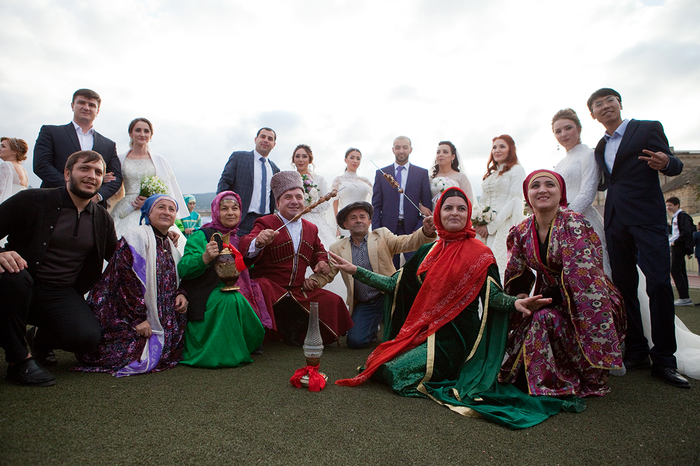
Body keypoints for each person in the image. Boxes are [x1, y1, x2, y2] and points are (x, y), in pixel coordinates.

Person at [331, 187, 580, 429]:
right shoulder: (428, 251)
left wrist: (515, 303)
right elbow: (394, 284)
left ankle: (456, 367)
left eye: (461, 208)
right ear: (438, 214)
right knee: (378, 363)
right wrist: (355, 271)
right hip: (425, 330)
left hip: (457, 337)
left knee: (397, 373)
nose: (454, 213)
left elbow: (492, 296)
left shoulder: (481, 253)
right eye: (448, 208)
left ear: (468, 214)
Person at [589, 87, 689, 388]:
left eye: (610, 100)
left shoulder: (646, 128)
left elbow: (675, 164)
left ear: (619, 103)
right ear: (593, 114)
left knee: (658, 284)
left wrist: (665, 162)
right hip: (615, 221)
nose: (605, 106)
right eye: (598, 104)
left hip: (647, 217)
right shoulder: (599, 147)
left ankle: (665, 359)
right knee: (624, 287)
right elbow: (606, 182)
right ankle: (636, 350)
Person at [499, 170, 626, 397]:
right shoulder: (521, 231)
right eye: (535, 186)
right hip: (549, 298)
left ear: (561, 193)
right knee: (531, 318)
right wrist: (522, 297)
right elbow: (516, 274)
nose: (542, 190)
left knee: (543, 318)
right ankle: (545, 374)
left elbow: (584, 279)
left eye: (550, 185)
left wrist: (544, 302)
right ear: (527, 195)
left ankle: (569, 376)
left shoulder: (574, 224)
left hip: (590, 301)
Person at [0, 150, 117, 386]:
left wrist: (158, 238)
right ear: (67, 173)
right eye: (84, 168)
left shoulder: (102, 218)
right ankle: (18, 361)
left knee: (86, 337)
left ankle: (39, 338)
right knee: (11, 278)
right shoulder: (32, 200)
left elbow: (119, 257)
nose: (91, 176)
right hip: (19, 282)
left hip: (61, 292)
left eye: (98, 172)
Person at [73, 195, 188, 376]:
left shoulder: (170, 243)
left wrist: (181, 293)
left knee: (171, 350)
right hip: (127, 313)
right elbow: (125, 281)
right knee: (132, 354)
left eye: (171, 209)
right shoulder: (135, 239)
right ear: (148, 212)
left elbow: (176, 277)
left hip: (158, 315)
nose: (166, 212)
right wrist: (139, 319)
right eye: (161, 207)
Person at [239, 171, 353, 346]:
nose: (294, 201)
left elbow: (318, 251)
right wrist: (258, 241)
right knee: (261, 287)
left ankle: (293, 327)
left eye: (299, 197)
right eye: (288, 197)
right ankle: (268, 331)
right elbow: (246, 244)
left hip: (299, 290)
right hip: (272, 289)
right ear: (278, 203)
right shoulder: (265, 223)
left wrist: (321, 262)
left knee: (333, 301)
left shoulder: (311, 228)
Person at [328, 201, 437, 349]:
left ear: (369, 222)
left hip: (390, 296)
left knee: (405, 337)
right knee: (355, 341)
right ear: (345, 224)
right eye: (353, 218)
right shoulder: (336, 248)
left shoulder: (382, 235)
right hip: (365, 303)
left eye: (362, 217)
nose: (358, 220)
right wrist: (314, 281)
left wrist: (425, 231)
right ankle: (372, 328)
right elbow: (327, 273)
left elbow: (407, 242)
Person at [178, 191, 267, 368]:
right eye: (224, 208)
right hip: (206, 293)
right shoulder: (202, 236)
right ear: (215, 211)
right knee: (229, 298)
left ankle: (243, 343)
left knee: (255, 289)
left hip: (236, 289)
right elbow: (183, 269)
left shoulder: (239, 237)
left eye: (235, 208)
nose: (230, 213)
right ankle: (223, 353)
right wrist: (204, 258)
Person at [33, 89, 121, 206]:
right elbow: (41, 165)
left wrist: (98, 195)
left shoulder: (108, 144)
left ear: (98, 111)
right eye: (81, 103)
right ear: (72, 106)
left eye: (91, 105)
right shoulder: (51, 132)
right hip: (55, 201)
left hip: (93, 207)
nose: (86, 107)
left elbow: (116, 178)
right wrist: (73, 188)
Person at [551, 108, 610, 276]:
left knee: (589, 271)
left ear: (579, 128)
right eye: (558, 131)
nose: (563, 134)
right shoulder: (560, 163)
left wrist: (563, 218)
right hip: (559, 221)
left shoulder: (588, 155)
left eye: (568, 128)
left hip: (582, 221)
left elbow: (587, 194)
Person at [111, 118, 187, 241]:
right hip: (127, 206)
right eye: (138, 130)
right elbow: (113, 184)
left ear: (151, 136)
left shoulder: (159, 160)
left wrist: (149, 204)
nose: (142, 134)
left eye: (146, 131)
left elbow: (167, 188)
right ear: (130, 134)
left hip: (152, 206)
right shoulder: (119, 159)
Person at [291, 144, 346, 300]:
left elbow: (326, 203)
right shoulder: (289, 177)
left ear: (310, 159)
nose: (300, 159)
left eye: (304, 156)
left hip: (315, 220)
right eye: (297, 156)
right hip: (295, 219)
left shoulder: (319, 179)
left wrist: (311, 205)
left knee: (324, 252)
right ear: (293, 159)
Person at [372, 136, 432, 268]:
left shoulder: (421, 173)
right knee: (389, 269)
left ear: (410, 149)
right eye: (398, 147)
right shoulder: (381, 173)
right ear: (393, 150)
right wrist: (376, 231)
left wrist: (419, 229)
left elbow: (427, 206)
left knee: (414, 267)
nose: (401, 151)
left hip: (412, 229)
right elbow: (376, 206)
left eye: (405, 147)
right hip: (387, 229)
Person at [474, 135, 526, 280]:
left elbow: (514, 201)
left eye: (502, 146)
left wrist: (491, 227)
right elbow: (483, 201)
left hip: (505, 224)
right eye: (494, 147)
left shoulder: (517, 170)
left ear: (510, 149)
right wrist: (479, 221)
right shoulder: (491, 175)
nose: (497, 150)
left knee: (500, 266)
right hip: (484, 229)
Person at [217, 127, 281, 236]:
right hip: (241, 219)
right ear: (256, 139)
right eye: (263, 137)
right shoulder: (239, 158)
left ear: (274, 144)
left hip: (265, 221)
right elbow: (224, 183)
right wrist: (226, 209)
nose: (266, 140)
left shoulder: (275, 169)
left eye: (270, 138)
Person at [331, 148, 373, 236]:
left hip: (362, 221)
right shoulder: (338, 180)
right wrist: (337, 226)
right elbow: (334, 205)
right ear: (345, 160)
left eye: (358, 158)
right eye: (352, 157)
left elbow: (375, 199)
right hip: (346, 221)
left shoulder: (365, 181)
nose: (355, 161)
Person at [429, 141, 475, 208]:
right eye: (438, 152)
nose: (440, 154)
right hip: (434, 213)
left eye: (445, 152)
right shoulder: (430, 178)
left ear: (453, 157)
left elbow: (469, 200)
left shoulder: (460, 177)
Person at [666, 197, 694, 306]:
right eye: (667, 205)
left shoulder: (682, 216)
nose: (668, 207)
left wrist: (676, 242)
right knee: (680, 270)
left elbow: (686, 231)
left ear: (677, 205)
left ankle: (684, 297)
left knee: (675, 270)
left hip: (679, 246)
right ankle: (685, 296)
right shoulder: (675, 217)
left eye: (670, 205)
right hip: (676, 245)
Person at [0, 137, 29, 204]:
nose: (0, 148)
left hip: (7, 204)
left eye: (3, 146)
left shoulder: (6, 165)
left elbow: (1, 189)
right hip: (21, 204)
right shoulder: (22, 169)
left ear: (14, 151)